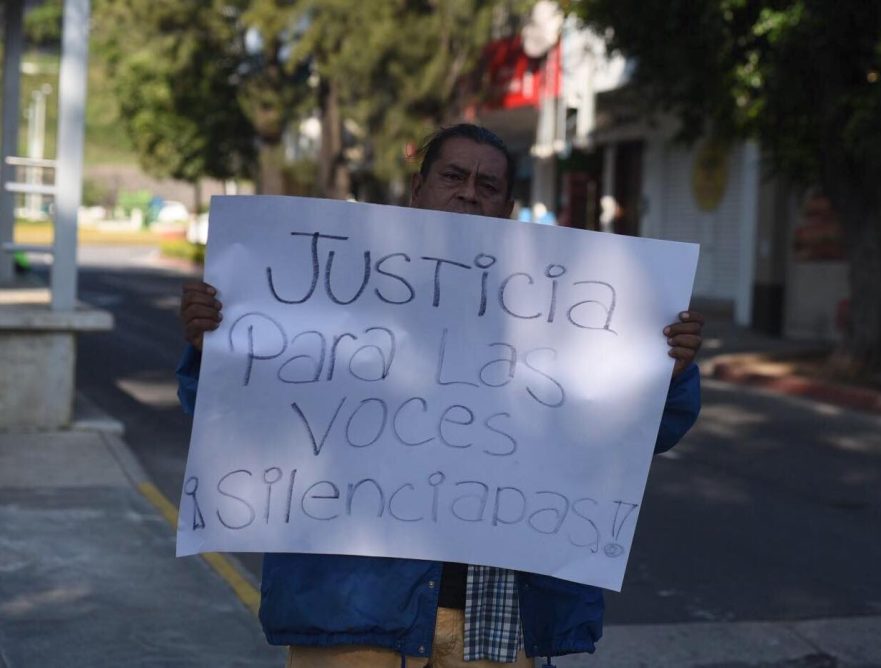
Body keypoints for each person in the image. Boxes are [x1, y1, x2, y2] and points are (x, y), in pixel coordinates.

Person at [177, 124, 704, 667]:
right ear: (416, 189)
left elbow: (646, 434)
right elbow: (233, 418)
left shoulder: (558, 310)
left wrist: (670, 369)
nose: (469, 192)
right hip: (353, 614)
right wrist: (212, 348)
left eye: (488, 184)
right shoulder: (337, 289)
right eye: (453, 175)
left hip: (498, 624)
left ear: (508, 207)